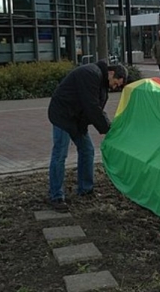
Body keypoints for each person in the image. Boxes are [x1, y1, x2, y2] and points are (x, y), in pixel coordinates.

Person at [48, 60, 128, 212]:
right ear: (111, 73)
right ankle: (56, 196)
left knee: (87, 150)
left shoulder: (102, 84)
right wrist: (107, 128)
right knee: (60, 154)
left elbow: (95, 108)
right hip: (62, 115)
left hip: (76, 120)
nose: (115, 87)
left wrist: (104, 126)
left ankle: (86, 189)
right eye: (116, 83)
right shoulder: (90, 74)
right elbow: (91, 106)